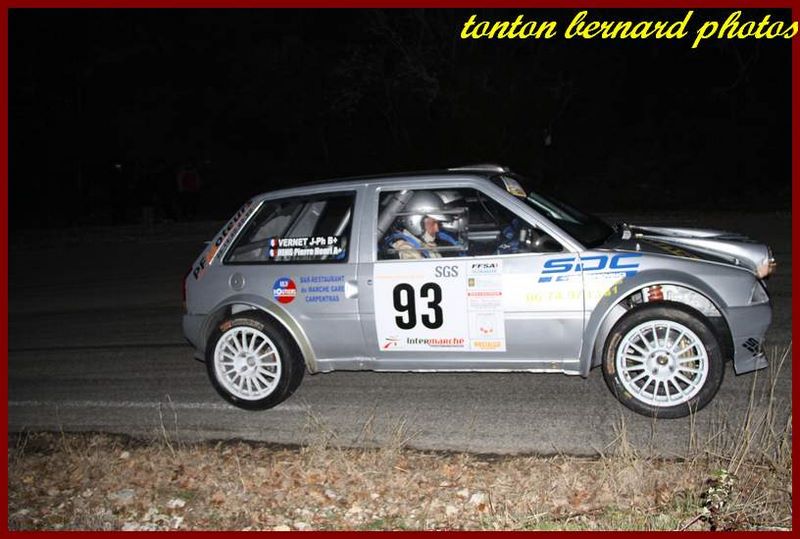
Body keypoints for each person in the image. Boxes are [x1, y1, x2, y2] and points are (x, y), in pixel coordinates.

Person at [383, 191, 460, 259]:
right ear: (416, 221)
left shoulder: (421, 242)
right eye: (433, 223)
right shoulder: (406, 250)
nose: (437, 229)